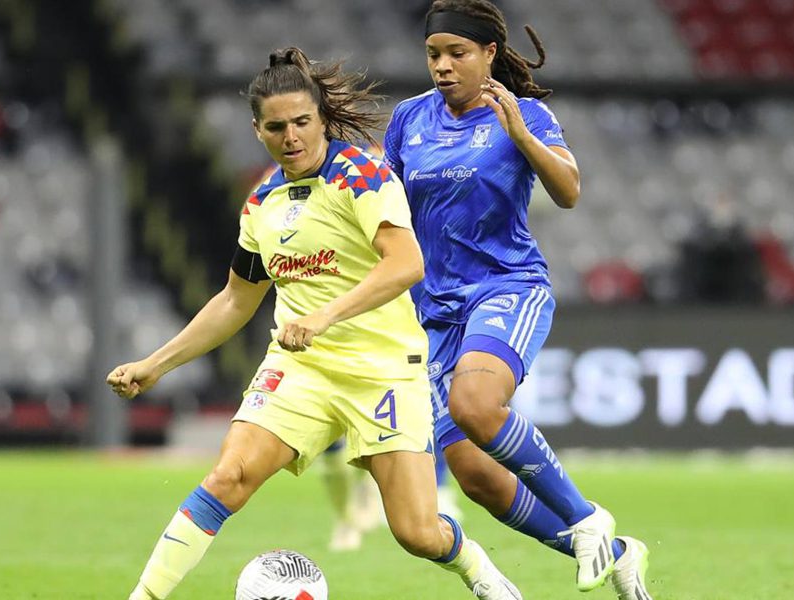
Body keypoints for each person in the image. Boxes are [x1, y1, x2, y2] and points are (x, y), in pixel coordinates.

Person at [107, 47, 521, 600]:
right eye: (276, 127)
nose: (291, 136)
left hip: (383, 371)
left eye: (302, 122)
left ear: (321, 118)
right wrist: (154, 364)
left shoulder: (364, 178)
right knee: (228, 478)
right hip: (300, 370)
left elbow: (407, 263)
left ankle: (478, 570)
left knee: (417, 533)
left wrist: (325, 315)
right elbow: (235, 300)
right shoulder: (261, 202)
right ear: (257, 131)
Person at [383, 2, 654, 599]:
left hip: (505, 287)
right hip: (433, 311)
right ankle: (614, 553)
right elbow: (385, 209)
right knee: (474, 475)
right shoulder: (408, 120)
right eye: (434, 54)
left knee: (477, 405)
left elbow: (569, 191)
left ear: (488, 55)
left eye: (458, 54)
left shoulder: (524, 112)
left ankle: (586, 518)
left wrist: (521, 135)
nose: (443, 66)